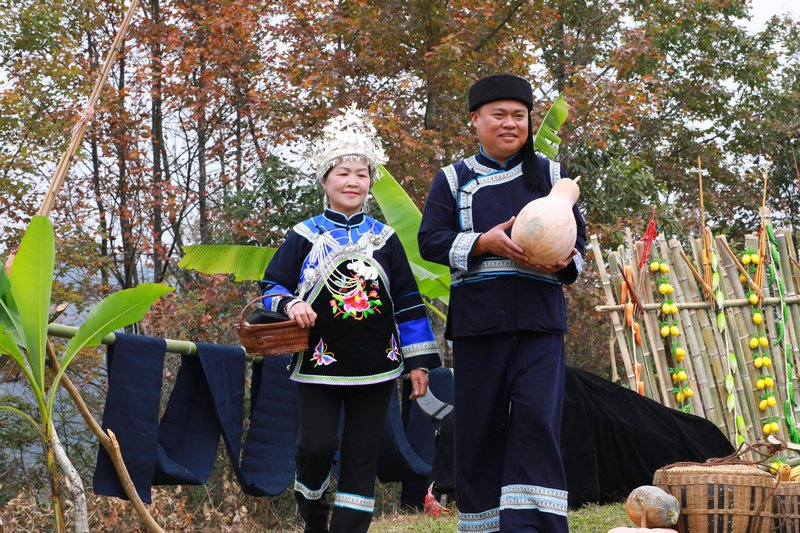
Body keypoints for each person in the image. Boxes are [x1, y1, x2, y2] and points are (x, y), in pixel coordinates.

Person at [259, 105, 441, 533]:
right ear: (325, 181)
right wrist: (291, 305)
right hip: (318, 363)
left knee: (362, 456)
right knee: (315, 446)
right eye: (343, 173)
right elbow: (271, 288)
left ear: (370, 183)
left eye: (362, 174)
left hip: (378, 365)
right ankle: (314, 517)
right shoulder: (303, 236)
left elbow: (409, 302)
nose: (353, 181)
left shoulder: (386, 238)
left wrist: (418, 363)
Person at [418, 74, 586, 532]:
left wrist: (564, 261)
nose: (511, 124)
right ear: (476, 120)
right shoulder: (452, 179)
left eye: (520, 116)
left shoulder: (552, 176)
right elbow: (429, 241)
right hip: (478, 323)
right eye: (499, 115)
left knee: (537, 420)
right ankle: (483, 526)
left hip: (539, 322)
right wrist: (482, 243)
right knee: (479, 427)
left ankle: (532, 527)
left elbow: (581, 247)